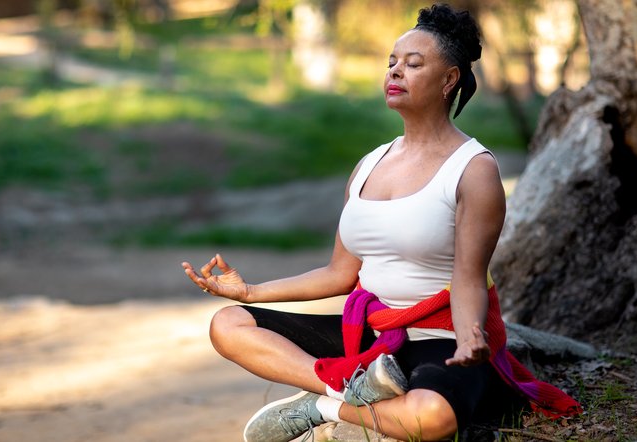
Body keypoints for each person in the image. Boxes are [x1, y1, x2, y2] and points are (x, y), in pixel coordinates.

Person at [182, 4, 580, 441]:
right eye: (392, 62)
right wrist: (250, 292)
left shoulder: (473, 169)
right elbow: (340, 274)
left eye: (413, 63)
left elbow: (469, 278)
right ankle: (344, 387)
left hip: (437, 337)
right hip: (369, 333)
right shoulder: (369, 165)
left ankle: (322, 405)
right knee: (228, 324)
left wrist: (470, 337)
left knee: (433, 417)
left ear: (449, 79)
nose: (395, 71)